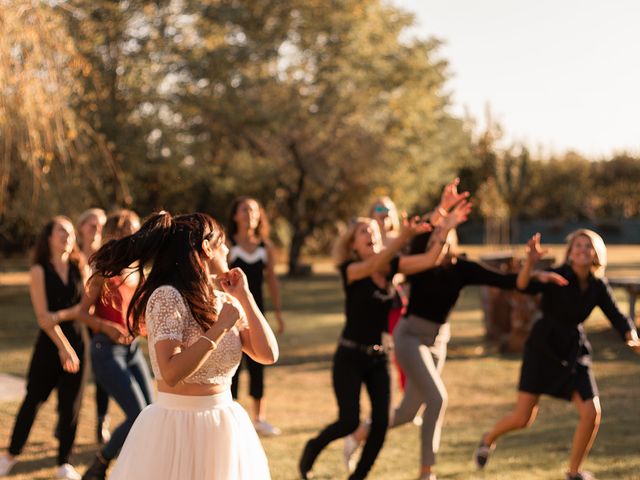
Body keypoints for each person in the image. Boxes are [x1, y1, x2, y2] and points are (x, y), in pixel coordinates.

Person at [344, 181, 566, 480]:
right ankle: (427, 472)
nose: (439, 236)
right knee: (437, 399)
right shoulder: (423, 259)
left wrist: (532, 268)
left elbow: (509, 282)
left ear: (453, 237)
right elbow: (420, 235)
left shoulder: (463, 268)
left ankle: (362, 431)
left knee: (409, 411)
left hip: (438, 340)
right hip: (409, 336)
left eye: (445, 233)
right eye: (436, 232)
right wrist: (442, 209)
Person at [89, 211, 278, 479]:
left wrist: (244, 296)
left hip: (224, 425)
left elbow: (268, 354)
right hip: (177, 427)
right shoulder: (167, 296)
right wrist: (220, 328)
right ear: (206, 248)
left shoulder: (225, 302)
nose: (227, 249)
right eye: (221, 242)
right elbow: (171, 372)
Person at [299, 202, 471, 480]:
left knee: (380, 424)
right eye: (363, 232)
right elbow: (378, 261)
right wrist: (403, 238)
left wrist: (443, 222)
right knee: (349, 421)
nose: (371, 235)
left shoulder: (390, 267)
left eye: (373, 232)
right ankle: (313, 447)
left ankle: (358, 477)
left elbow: (429, 260)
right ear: (353, 244)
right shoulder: (351, 269)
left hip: (378, 358)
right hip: (349, 357)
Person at [474, 231, 640, 480]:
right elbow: (522, 285)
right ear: (570, 251)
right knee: (522, 418)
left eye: (588, 246)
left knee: (591, 412)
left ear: (597, 253)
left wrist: (631, 336)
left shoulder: (597, 286)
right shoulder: (557, 276)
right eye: (578, 245)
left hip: (574, 351)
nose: (583, 250)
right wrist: (530, 263)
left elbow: (617, 315)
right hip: (543, 349)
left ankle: (573, 472)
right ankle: (488, 439)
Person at [0, 217, 88, 480]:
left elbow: (85, 308)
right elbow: (42, 317)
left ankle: (64, 463)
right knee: (32, 401)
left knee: (71, 405)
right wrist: (64, 347)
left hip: (78, 341)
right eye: (62, 230)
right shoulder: (39, 270)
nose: (68, 235)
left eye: (71, 232)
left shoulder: (78, 267)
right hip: (49, 346)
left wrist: (59, 315)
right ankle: (10, 456)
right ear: (48, 236)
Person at [79, 210, 154, 480]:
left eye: (137, 230)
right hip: (106, 350)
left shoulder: (137, 268)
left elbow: (138, 313)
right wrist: (106, 327)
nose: (136, 235)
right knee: (137, 414)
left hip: (132, 349)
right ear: (117, 234)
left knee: (152, 412)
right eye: (130, 230)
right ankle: (99, 465)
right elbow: (82, 312)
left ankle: (138, 466)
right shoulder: (103, 269)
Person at [228, 197, 284, 436]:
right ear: (235, 216)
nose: (250, 213)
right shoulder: (228, 245)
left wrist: (279, 312)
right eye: (244, 209)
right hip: (231, 313)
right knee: (232, 361)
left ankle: (259, 419)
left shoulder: (265, 246)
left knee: (259, 363)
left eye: (253, 209)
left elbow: (271, 280)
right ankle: (229, 415)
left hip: (257, 311)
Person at [76, 208, 111, 444]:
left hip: (98, 322)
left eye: (100, 225)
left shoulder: (107, 257)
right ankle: (64, 420)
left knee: (102, 376)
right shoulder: (73, 255)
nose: (97, 229)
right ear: (81, 228)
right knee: (74, 372)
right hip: (75, 322)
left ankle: (102, 421)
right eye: (92, 225)